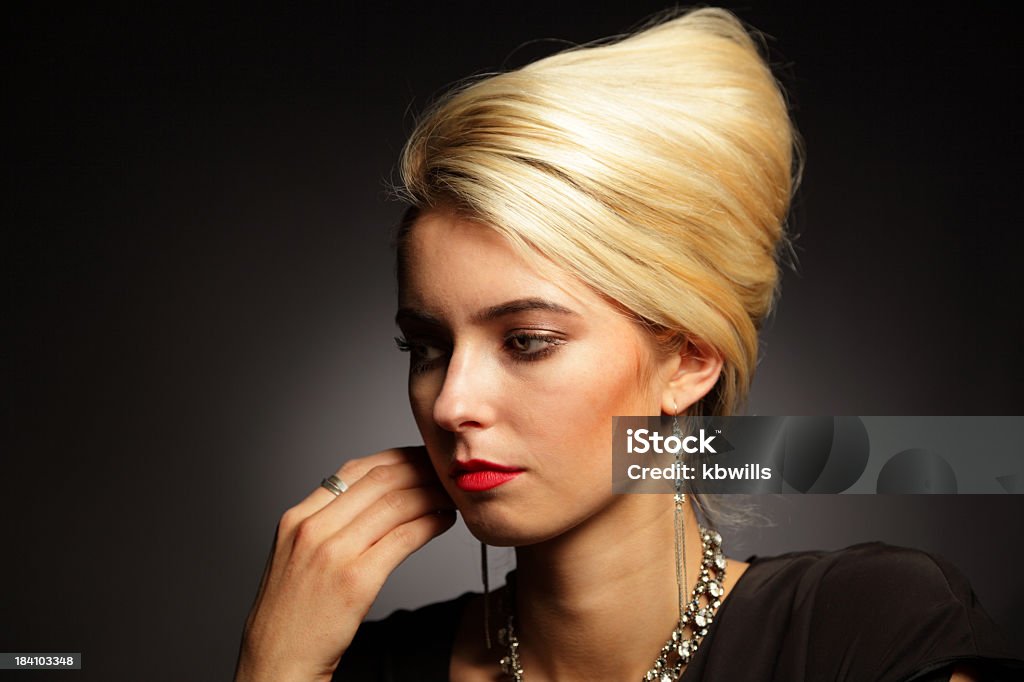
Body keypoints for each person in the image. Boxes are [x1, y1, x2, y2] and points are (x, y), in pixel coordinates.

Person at [233, 8, 1021, 681]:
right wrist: (274, 668)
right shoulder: (370, 665)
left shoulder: (869, 632)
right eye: (427, 348)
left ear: (688, 358)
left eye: (528, 341)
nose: (451, 403)